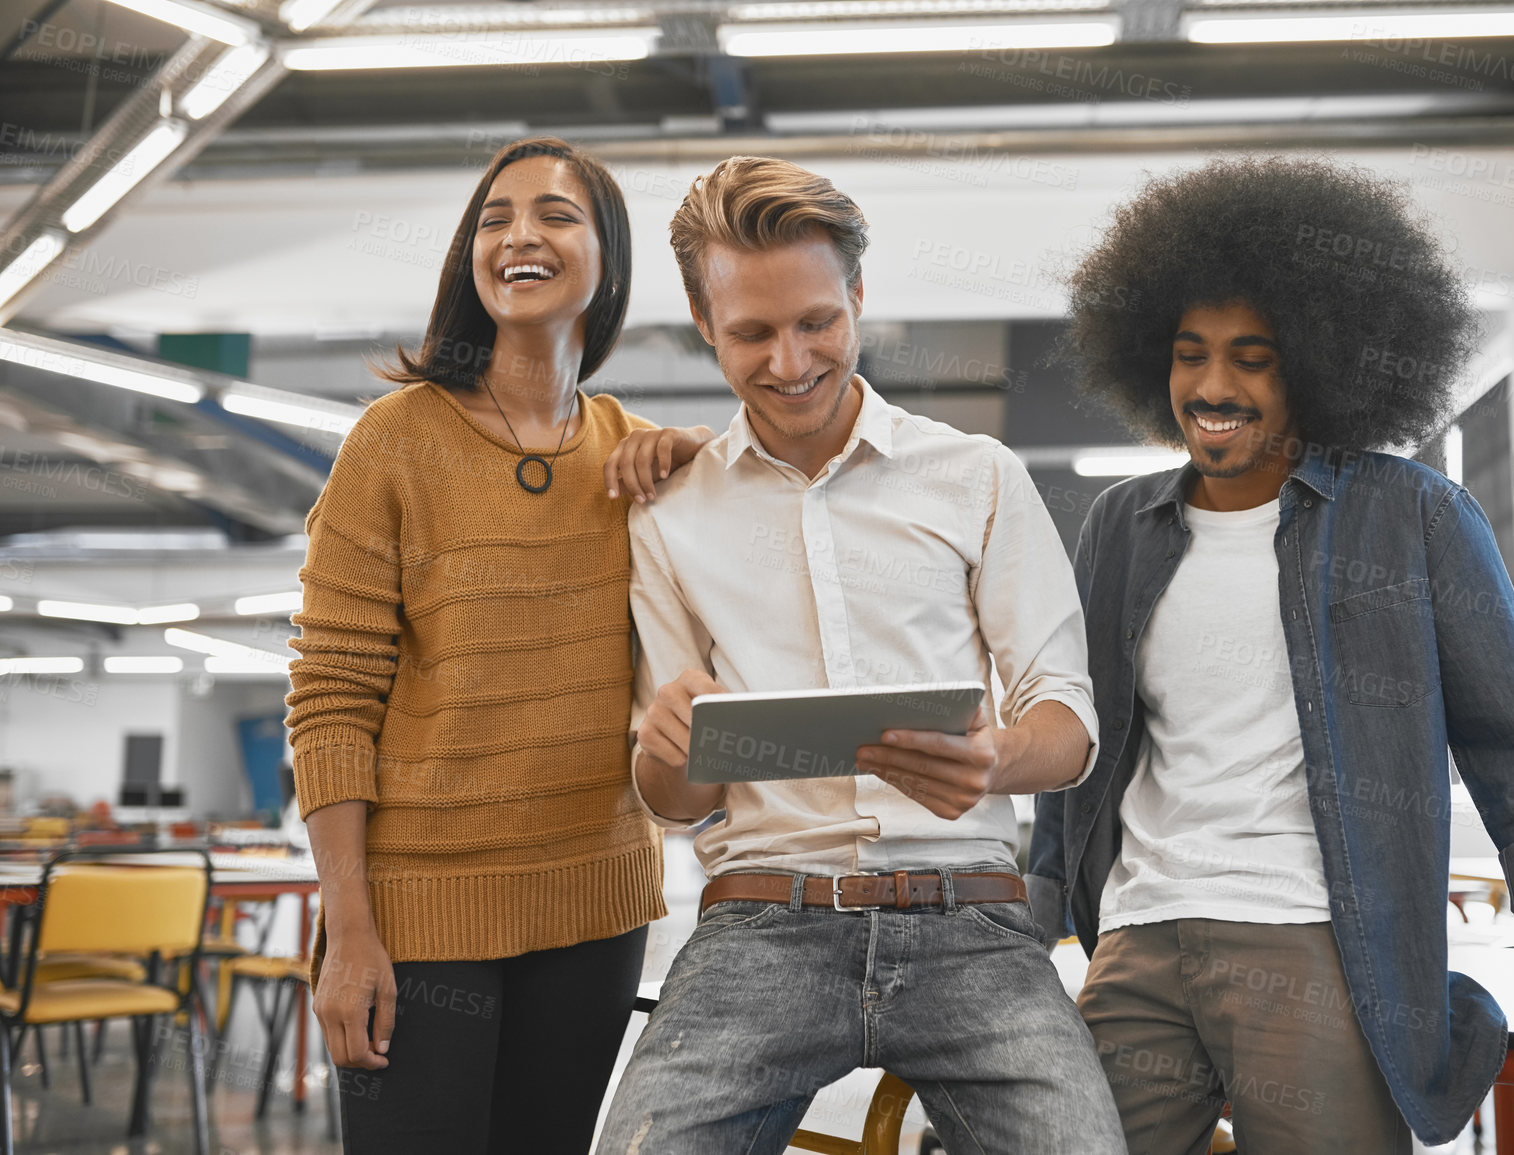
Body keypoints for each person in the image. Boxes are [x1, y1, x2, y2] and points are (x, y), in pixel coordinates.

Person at [1025, 156, 1514, 1153]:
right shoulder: (1121, 525)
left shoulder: (1411, 515)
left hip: (1316, 947)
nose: (1213, 386)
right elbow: (1081, 758)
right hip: (1139, 941)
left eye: (1254, 356)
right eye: (1190, 354)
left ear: (1321, 363)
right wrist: (1019, 952)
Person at [593, 156, 1127, 1155]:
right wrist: (667, 749)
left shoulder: (975, 476)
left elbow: (1068, 720)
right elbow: (674, 796)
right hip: (762, 923)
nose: (790, 361)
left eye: (817, 323)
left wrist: (994, 761)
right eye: (750, 332)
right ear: (705, 326)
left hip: (968, 920)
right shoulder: (670, 512)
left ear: (859, 298)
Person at [285, 135, 713, 1154]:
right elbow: (332, 693)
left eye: (556, 216)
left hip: (594, 907)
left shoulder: (641, 458)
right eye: (495, 218)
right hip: (417, 917)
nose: (521, 235)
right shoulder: (396, 441)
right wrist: (347, 931)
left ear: (605, 259)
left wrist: (712, 463)